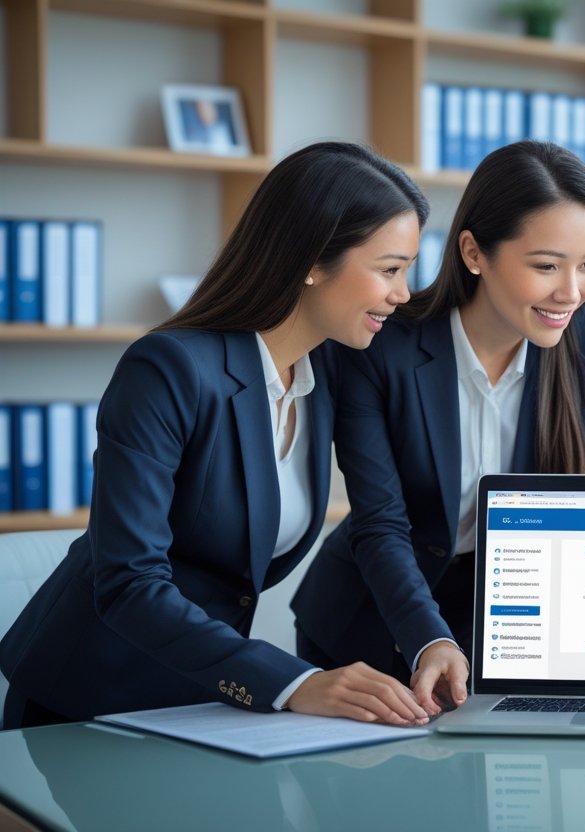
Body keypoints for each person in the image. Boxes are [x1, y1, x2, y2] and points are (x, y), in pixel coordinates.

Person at [0, 141, 457, 728]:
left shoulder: (331, 369)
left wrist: (430, 640)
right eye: (389, 270)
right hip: (86, 702)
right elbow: (128, 582)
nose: (403, 294)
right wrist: (295, 682)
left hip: (205, 704)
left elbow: (379, 520)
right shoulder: (168, 369)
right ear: (314, 260)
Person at [291, 141, 585, 705]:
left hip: (498, 632)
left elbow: (574, 507)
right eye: (546, 265)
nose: (571, 291)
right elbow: (380, 522)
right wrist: (429, 638)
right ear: (473, 252)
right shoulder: (382, 342)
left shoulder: (583, 339)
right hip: (366, 625)